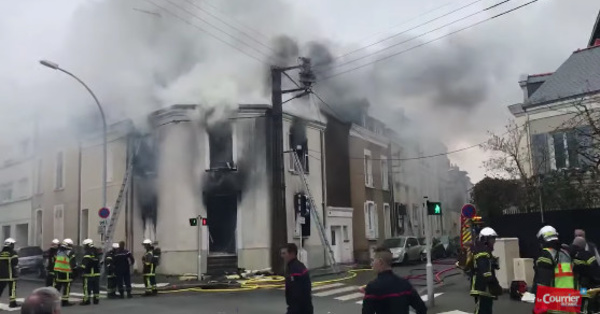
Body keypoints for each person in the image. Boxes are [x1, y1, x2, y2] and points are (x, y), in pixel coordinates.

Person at [361, 247, 426, 314]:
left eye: (373, 260)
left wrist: (368, 291)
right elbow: (421, 308)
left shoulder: (373, 287)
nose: (371, 264)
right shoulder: (405, 284)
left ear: (380, 262)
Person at [532, 225, 576, 310]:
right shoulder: (566, 254)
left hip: (553, 302)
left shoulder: (546, 255)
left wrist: (540, 307)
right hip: (569, 300)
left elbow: (543, 281)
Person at [470, 227, 501, 314]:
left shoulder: (486, 252)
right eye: (492, 239)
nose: (494, 241)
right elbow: (485, 271)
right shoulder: (482, 252)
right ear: (485, 239)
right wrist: (494, 284)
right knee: (481, 310)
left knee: (487, 310)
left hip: (485, 288)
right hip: (481, 286)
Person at [281, 243, 313, 314]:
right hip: (304, 307)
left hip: (299, 309)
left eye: (284, 253)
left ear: (291, 254)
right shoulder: (297, 266)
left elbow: (296, 293)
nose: (282, 256)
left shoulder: (295, 270)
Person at [571, 237, 600, 314]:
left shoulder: (582, 256)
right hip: (584, 285)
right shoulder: (587, 255)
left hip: (585, 285)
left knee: (584, 299)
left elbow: (594, 269)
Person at [53, 239, 76, 307]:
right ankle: (65, 301)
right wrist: (75, 271)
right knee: (67, 287)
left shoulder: (58, 251)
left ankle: (53, 300)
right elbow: (73, 263)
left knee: (57, 287)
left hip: (57, 272)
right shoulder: (70, 252)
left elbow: (54, 260)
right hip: (66, 272)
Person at [79, 239, 100, 305]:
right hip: (96, 273)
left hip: (88, 274)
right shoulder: (96, 251)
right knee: (96, 287)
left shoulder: (87, 253)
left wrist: (80, 271)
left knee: (86, 288)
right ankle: (96, 299)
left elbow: (84, 264)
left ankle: (86, 300)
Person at [0, 238, 19, 308]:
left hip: (1, 276)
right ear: (11, 245)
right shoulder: (13, 253)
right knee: (12, 289)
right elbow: (15, 262)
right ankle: (12, 303)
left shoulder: (0, 253)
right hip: (10, 275)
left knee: (0, 289)